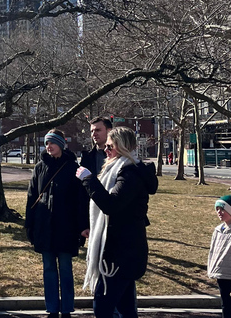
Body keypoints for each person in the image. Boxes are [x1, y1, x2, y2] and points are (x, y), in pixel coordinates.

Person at [76, 126, 158, 318]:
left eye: (110, 147)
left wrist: (88, 180)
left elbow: (111, 205)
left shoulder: (130, 174)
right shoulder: (124, 170)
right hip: (124, 251)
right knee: (126, 307)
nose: (106, 151)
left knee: (103, 306)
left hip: (120, 253)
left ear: (121, 147)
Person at [26, 129, 89, 318]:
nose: (49, 146)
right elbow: (31, 197)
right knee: (49, 269)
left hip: (66, 227)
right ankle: (52, 308)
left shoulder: (72, 167)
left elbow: (80, 200)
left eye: (52, 142)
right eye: (46, 143)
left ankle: (67, 308)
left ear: (61, 144)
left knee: (66, 269)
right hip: (44, 226)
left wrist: (82, 226)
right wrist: (30, 225)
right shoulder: (39, 167)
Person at [207, 195, 231, 318]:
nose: (219, 212)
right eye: (217, 209)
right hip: (222, 274)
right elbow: (213, 252)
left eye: (222, 209)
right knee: (226, 305)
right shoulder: (218, 230)